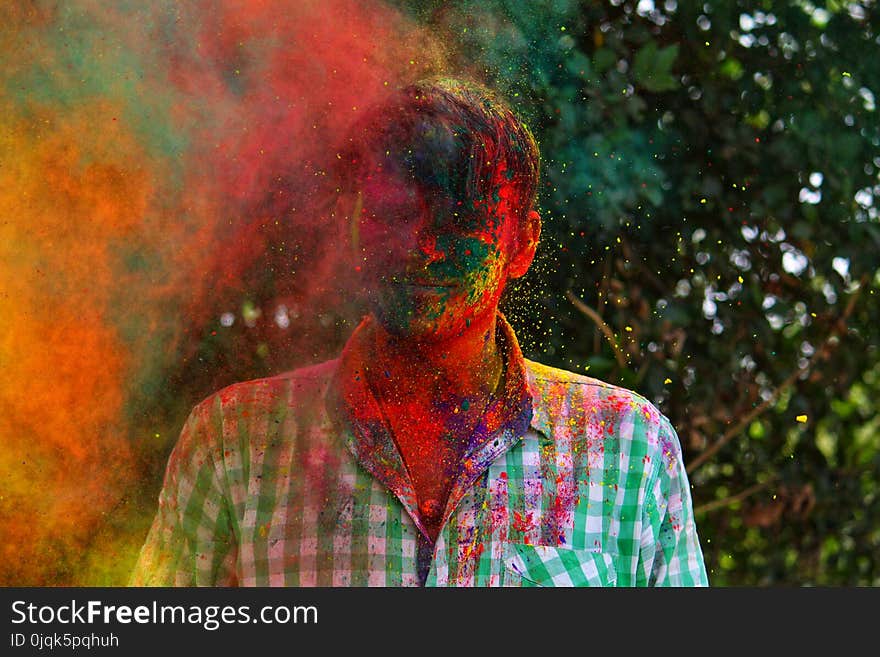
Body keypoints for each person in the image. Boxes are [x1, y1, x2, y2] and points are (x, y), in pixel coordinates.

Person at [130, 78, 708, 587]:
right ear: (350, 223)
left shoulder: (628, 445)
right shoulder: (235, 443)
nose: (424, 247)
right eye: (396, 212)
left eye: (463, 220)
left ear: (523, 243)